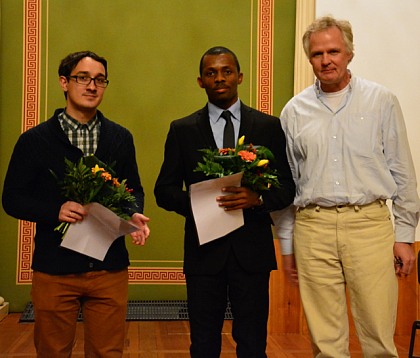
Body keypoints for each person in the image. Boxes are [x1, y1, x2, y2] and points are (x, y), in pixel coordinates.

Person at [273, 16, 420, 357]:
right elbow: (288, 184)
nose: (326, 60)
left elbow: (403, 172)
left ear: (350, 53)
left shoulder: (381, 101)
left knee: (379, 337)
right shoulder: (294, 112)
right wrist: (287, 244)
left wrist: (405, 235)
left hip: (369, 226)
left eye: (334, 51)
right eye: (317, 53)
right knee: (325, 343)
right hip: (313, 228)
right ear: (309, 58)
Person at [2, 51, 150, 357]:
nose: (92, 86)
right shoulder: (34, 140)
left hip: (109, 268)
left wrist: (133, 212)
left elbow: (133, 188)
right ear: (64, 83)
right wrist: (54, 211)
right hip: (55, 269)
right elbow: (12, 199)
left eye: (99, 80)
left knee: (108, 352)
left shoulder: (121, 137)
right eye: (83, 78)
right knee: (53, 351)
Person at [154, 46, 295, 358]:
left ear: (239, 77)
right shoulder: (183, 130)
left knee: (253, 342)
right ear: (200, 81)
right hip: (204, 254)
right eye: (211, 73)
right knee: (203, 343)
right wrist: (199, 203)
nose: (219, 78)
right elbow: (163, 191)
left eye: (226, 71)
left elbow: (287, 187)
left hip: (253, 254)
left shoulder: (268, 127)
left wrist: (258, 199)